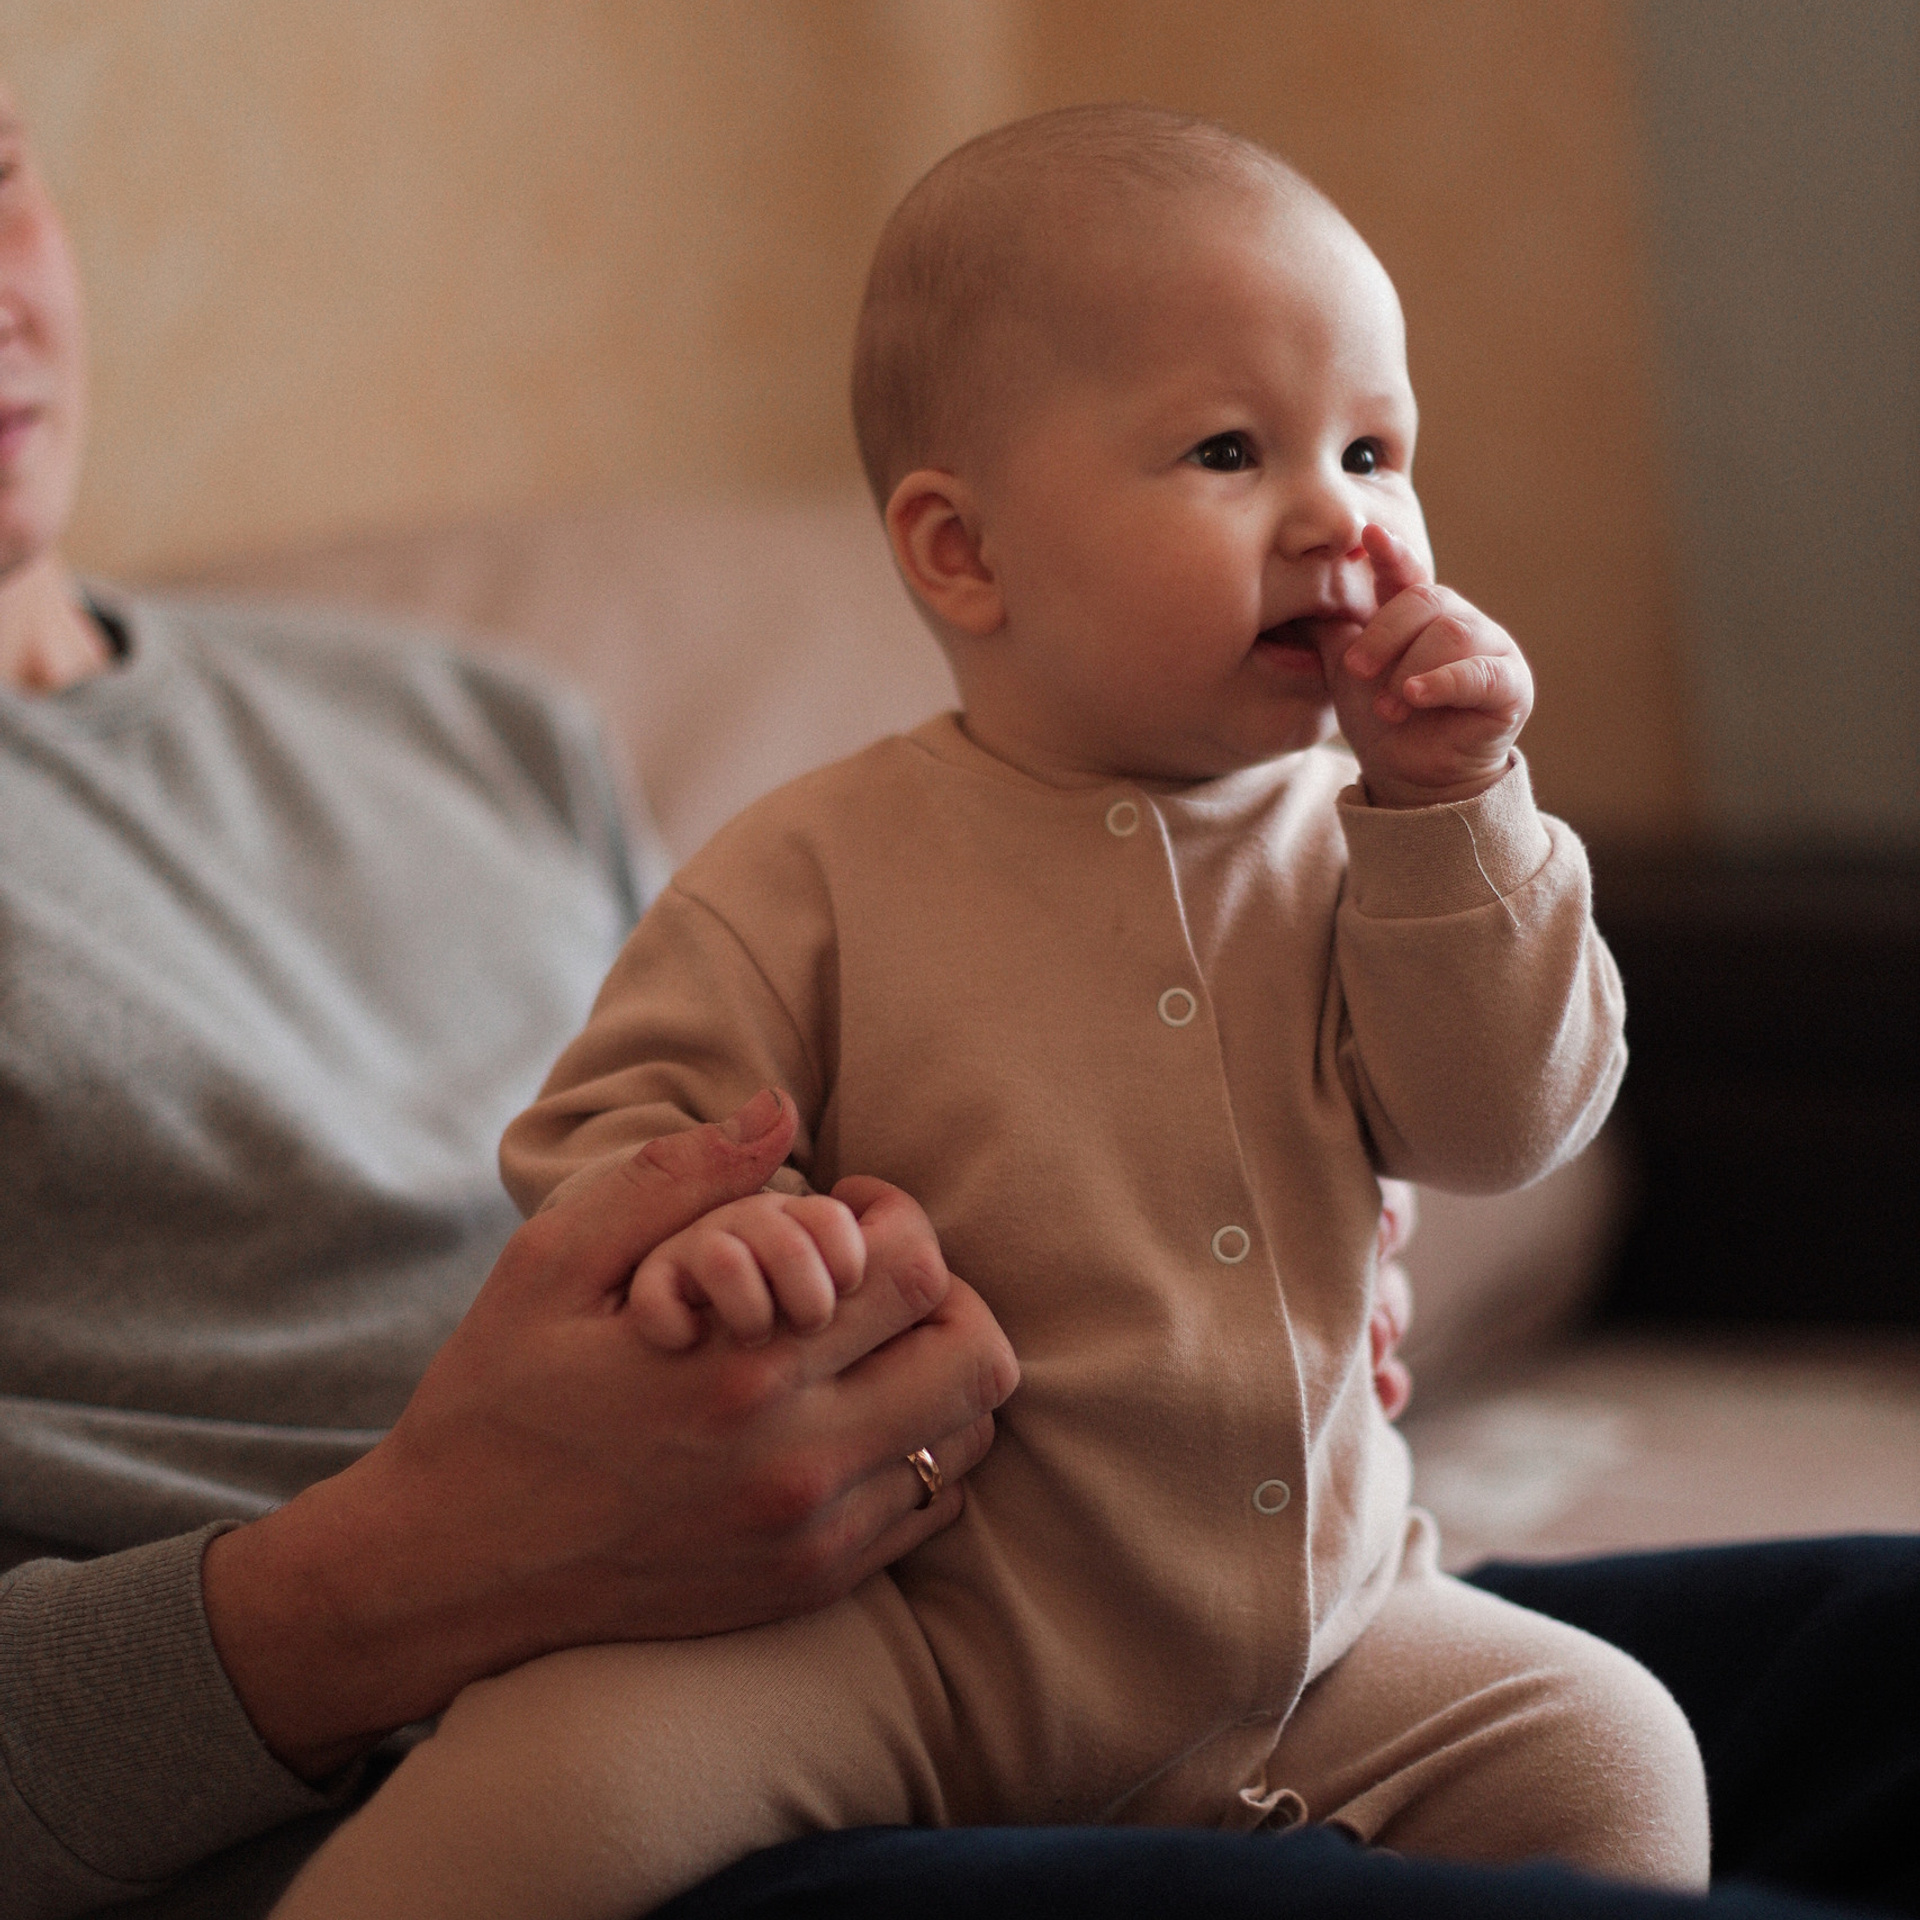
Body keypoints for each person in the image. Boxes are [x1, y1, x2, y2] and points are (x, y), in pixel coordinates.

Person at [3, 76, 1916, 1920]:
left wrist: (1462, 820)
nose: (1340, 519)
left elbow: (1509, 1123)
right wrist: (720, 1247)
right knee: (553, 1791)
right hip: (882, 1647)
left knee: (1625, 1757)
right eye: (1234, 454)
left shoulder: (464, 718)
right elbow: (628, 1122)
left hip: (1313, 1628)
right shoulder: (821, 859)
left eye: (1374, 452)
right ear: (957, 547)